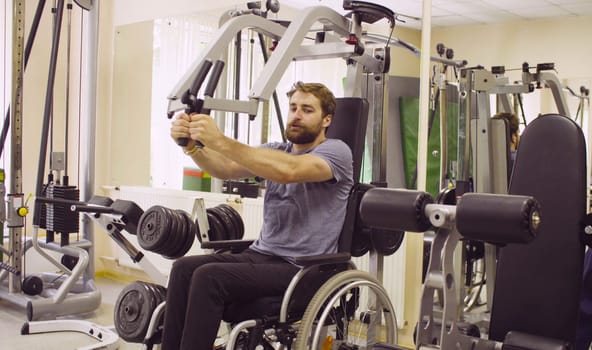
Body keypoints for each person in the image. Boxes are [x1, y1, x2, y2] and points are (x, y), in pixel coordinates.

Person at [162, 82, 354, 350]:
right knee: (183, 268)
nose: (296, 115)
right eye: (293, 108)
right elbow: (225, 168)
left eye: (307, 110)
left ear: (327, 120)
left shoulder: (337, 152)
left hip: (303, 266)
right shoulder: (275, 151)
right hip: (263, 254)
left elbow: (290, 171)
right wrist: (193, 147)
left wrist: (219, 140)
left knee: (209, 277)